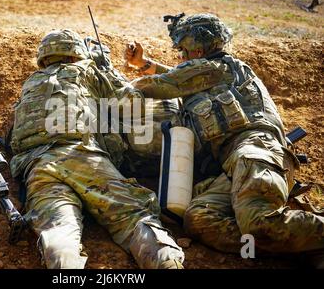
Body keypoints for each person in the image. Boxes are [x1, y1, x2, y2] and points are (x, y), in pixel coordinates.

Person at [125, 13, 324, 259]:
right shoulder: (218, 70)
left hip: (253, 150)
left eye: (183, 50)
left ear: (196, 49)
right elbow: (184, 79)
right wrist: (145, 64)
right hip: (233, 164)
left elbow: (160, 85)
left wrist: (116, 86)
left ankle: (293, 239)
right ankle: (298, 247)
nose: (181, 56)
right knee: (198, 219)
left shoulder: (212, 68)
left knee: (257, 224)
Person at [9, 29, 185, 269]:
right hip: (82, 156)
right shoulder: (85, 70)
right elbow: (131, 104)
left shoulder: (31, 83)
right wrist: (107, 71)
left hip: (38, 167)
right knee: (132, 216)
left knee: (59, 230)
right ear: (75, 55)